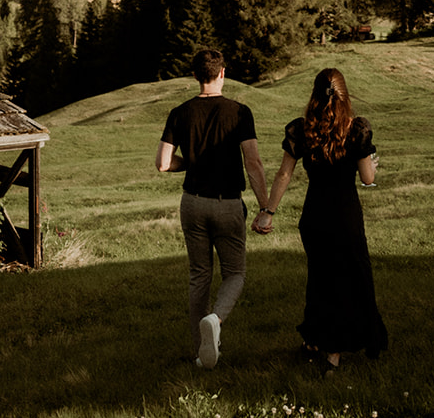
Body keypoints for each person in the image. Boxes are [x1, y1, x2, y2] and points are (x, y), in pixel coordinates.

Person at [257, 67, 387, 373]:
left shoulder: (301, 129)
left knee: (321, 280)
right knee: (350, 281)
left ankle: (315, 340)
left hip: (314, 216)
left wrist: (268, 212)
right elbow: (368, 179)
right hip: (345, 216)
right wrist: (374, 166)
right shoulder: (357, 129)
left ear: (315, 94)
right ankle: (333, 353)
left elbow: (284, 174)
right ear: (344, 94)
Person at [156, 49, 272, 369]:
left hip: (191, 202)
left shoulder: (179, 112)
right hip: (228, 204)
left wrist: (190, 163)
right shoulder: (239, 112)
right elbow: (253, 162)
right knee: (234, 272)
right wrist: (266, 207)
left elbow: (163, 163)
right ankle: (216, 320)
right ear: (223, 73)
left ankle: (201, 354)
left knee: (199, 276)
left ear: (195, 75)